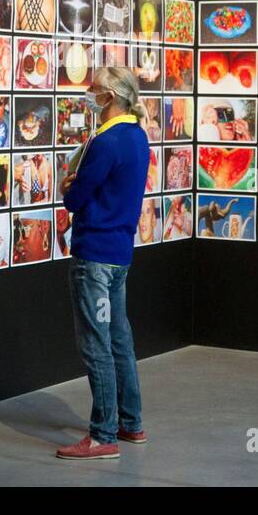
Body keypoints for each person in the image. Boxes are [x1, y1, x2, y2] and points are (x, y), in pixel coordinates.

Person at [55, 67, 151, 460]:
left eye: (93, 89)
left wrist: (67, 188)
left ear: (110, 96)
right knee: (119, 340)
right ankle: (131, 423)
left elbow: (76, 199)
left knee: (96, 344)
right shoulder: (138, 136)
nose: (89, 95)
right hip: (119, 255)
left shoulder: (107, 142)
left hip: (93, 254)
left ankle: (102, 434)